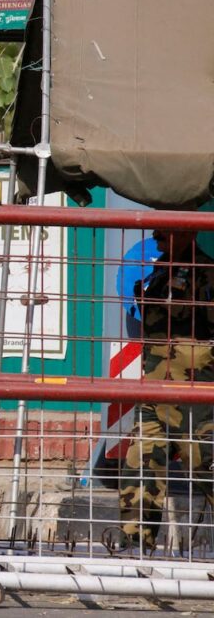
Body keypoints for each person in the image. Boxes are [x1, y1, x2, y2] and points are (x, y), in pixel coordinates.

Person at [118, 228, 214, 552]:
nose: (157, 235)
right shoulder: (159, 272)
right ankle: (134, 548)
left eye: (167, 230)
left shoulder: (207, 274)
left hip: (196, 394)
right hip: (156, 389)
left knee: (206, 465)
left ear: (187, 231)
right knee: (141, 464)